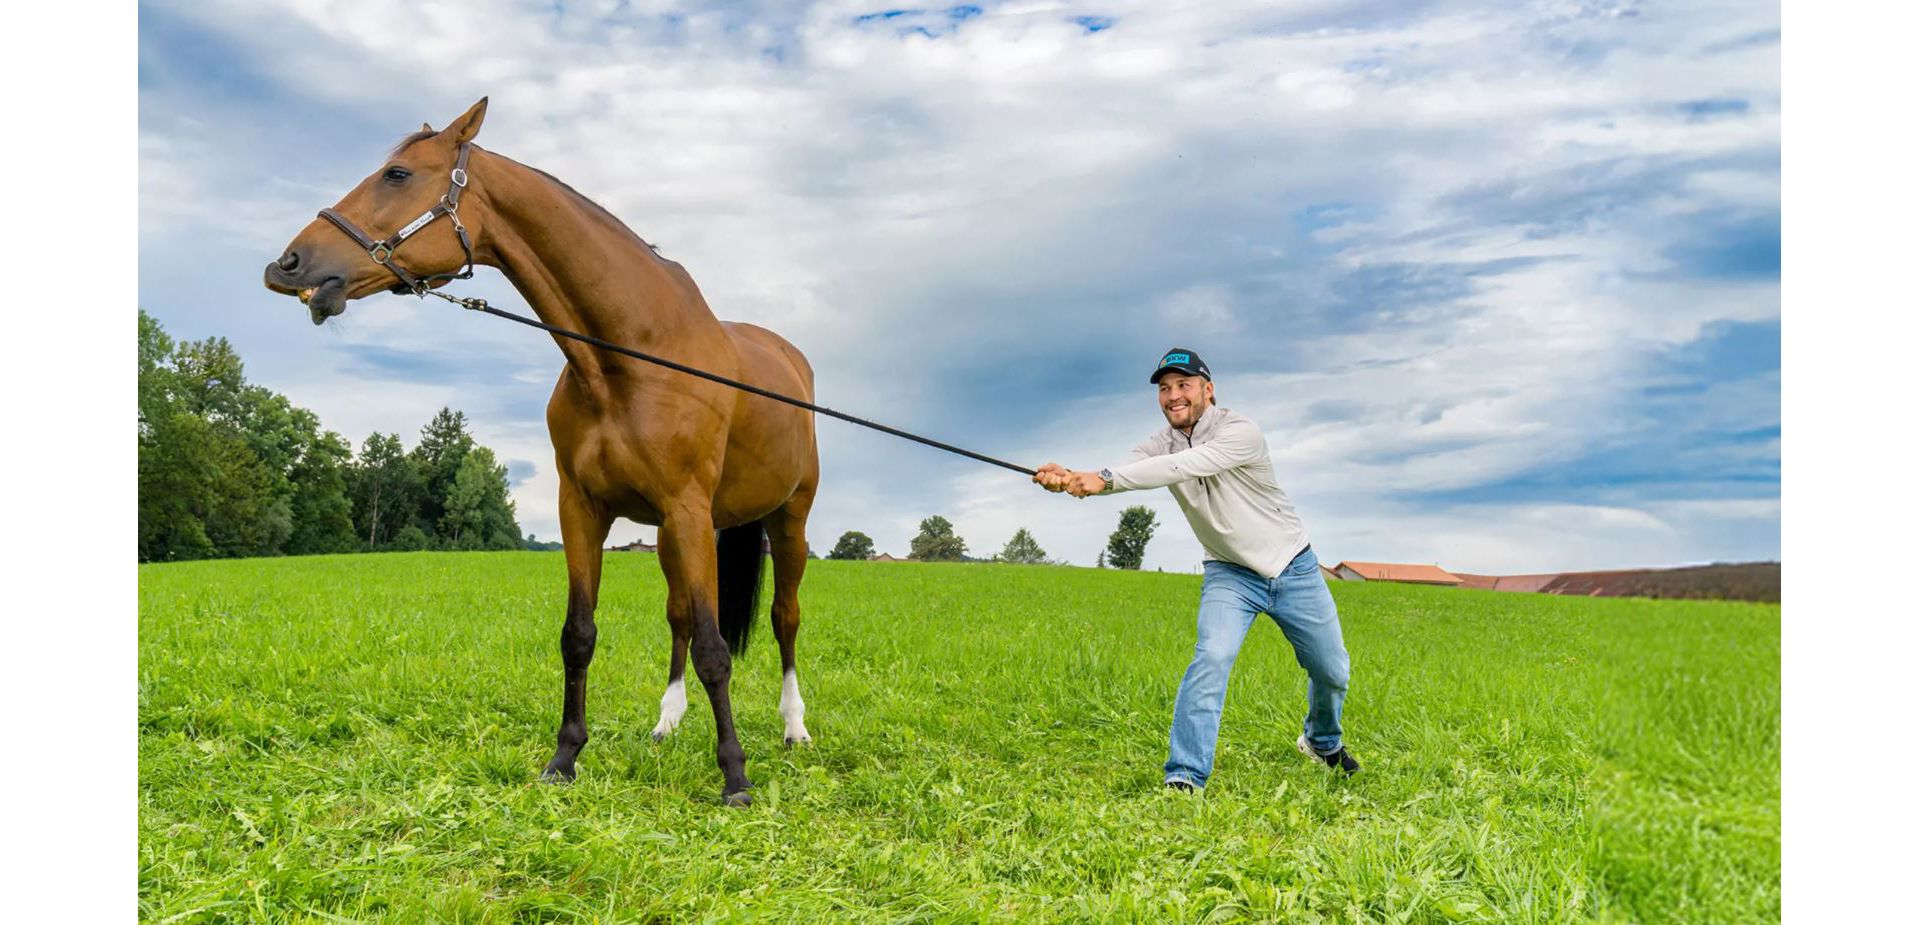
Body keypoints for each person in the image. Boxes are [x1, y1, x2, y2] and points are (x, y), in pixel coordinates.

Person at [1035, 347, 1358, 790]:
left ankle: (1322, 742)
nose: (1173, 395)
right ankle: (1185, 776)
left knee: (1332, 671)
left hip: (1293, 567)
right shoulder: (1159, 445)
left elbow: (1180, 465)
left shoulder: (1240, 431)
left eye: (1183, 385)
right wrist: (1071, 476)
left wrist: (1104, 478)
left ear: (1209, 390)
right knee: (1212, 657)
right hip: (1230, 574)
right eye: (1165, 388)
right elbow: (1135, 469)